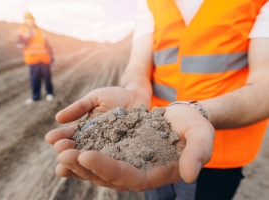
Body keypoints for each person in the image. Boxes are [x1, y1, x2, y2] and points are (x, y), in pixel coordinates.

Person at [45, 0, 269, 199]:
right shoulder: (151, 3)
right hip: (154, 142)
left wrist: (198, 111)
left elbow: (265, 84)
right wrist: (135, 92)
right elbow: (138, 67)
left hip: (221, 152)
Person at [16, 12, 54, 105]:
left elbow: (48, 46)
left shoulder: (41, 32)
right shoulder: (22, 31)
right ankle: (36, 96)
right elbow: (19, 44)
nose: (29, 21)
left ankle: (50, 93)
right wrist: (28, 36)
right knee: (35, 78)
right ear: (25, 21)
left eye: (30, 19)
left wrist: (51, 57)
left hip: (44, 58)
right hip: (32, 60)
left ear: (33, 20)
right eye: (27, 20)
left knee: (47, 76)